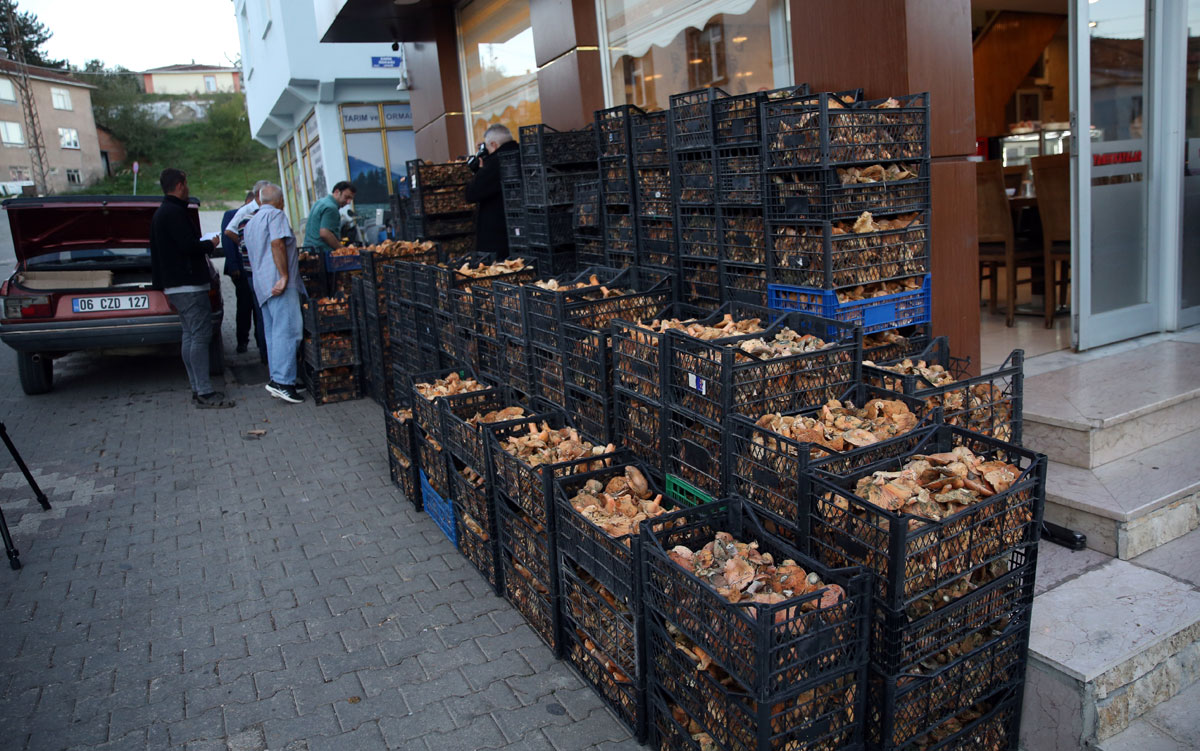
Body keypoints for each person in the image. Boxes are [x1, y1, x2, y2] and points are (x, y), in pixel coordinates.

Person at [150, 168, 234, 409]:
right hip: (188, 284)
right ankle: (205, 392)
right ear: (179, 185)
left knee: (189, 335)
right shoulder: (175, 213)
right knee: (200, 336)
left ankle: (197, 387)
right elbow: (188, 247)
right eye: (186, 184)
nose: (188, 189)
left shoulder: (161, 214)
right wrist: (210, 243)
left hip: (174, 286)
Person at [245, 184, 305, 404]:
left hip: (262, 284)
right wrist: (283, 276)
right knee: (289, 331)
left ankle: (279, 377)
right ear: (281, 202)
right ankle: (283, 382)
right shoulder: (277, 215)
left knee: (274, 334)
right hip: (278, 284)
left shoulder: (251, 222)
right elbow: (277, 244)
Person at [221, 190, 267, 357]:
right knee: (244, 306)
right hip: (240, 269)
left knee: (257, 306)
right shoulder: (234, 214)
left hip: (253, 268)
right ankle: (242, 340)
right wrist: (234, 265)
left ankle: (259, 340)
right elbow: (227, 239)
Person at [465, 123, 519, 260]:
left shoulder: (496, 162)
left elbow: (471, 193)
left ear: (494, 145)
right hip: (519, 230)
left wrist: (480, 170)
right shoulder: (521, 154)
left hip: (497, 234)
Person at [303, 181, 357, 251]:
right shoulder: (332, 208)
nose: (348, 202)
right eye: (346, 197)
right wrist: (342, 249)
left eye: (351, 199)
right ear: (337, 192)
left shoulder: (319, 202)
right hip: (321, 253)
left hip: (309, 251)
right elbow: (325, 233)